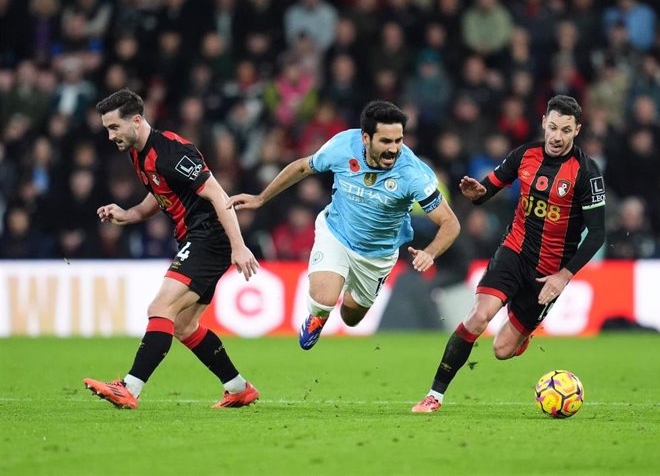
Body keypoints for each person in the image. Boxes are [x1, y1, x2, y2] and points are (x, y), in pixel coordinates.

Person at [412, 95, 606, 413]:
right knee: (478, 317)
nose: (558, 136)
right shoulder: (525, 155)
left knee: (502, 350)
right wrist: (477, 193)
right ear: (544, 122)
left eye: (566, 130)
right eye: (553, 127)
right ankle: (434, 396)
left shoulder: (586, 172)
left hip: (549, 273)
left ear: (577, 130)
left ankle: (522, 334)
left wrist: (564, 276)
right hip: (513, 253)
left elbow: (597, 233)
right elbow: (488, 187)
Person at [227, 100, 460, 350]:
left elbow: (450, 222)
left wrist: (431, 252)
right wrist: (261, 197)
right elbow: (303, 167)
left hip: (377, 254)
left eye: (398, 140)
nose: (394, 149)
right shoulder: (342, 147)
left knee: (351, 318)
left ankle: (343, 295)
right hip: (336, 233)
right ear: (365, 138)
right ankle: (318, 316)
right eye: (385, 141)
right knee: (324, 300)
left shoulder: (413, 173)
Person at [83, 89, 261, 409]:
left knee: (160, 309)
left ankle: (129, 388)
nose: (110, 136)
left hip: (209, 237)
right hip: (197, 238)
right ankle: (238, 388)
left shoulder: (172, 152)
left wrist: (239, 246)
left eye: (114, 127)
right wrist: (130, 214)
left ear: (136, 121)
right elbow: (161, 192)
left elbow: (219, 196)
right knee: (183, 325)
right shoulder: (138, 151)